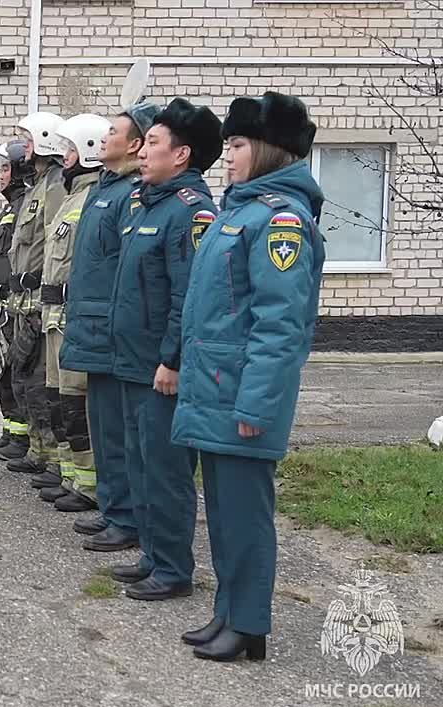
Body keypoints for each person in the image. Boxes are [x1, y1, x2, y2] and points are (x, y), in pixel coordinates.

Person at [172, 92, 324, 662]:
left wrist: (257, 407)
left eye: (236, 145)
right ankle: (228, 612)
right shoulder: (239, 212)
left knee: (245, 515)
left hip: (240, 397)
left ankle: (251, 622)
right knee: (224, 515)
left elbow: (281, 328)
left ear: (265, 150)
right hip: (214, 388)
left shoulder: (281, 222)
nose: (227, 156)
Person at [108, 98, 222, 602]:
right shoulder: (147, 206)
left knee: (167, 470)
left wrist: (171, 359)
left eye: (153, 143)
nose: (143, 150)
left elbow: (188, 295)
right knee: (141, 463)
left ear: (182, 155)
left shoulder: (190, 213)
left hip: (160, 368)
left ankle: (175, 568)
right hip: (132, 362)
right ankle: (153, 555)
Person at [60, 102, 160, 551]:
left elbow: (128, 267)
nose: (104, 138)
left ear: (135, 145)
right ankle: (114, 509)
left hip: (114, 330)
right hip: (92, 326)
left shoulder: (132, 194)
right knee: (103, 428)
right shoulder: (105, 188)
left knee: (122, 432)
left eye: (113, 132)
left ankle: (130, 519)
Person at [36, 113, 111, 513]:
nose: (63, 156)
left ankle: (90, 486)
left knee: (77, 401)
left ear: (88, 151)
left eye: (69, 149)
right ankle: (71, 475)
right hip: (54, 314)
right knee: (58, 399)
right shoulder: (71, 198)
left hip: (72, 314)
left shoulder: (94, 200)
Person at [5, 112, 67, 491]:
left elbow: (53, 247)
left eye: (28, 141)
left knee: (42, 382)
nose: (23, 148)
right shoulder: (39, 186)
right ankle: (39, 452)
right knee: (26, 378)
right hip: (23, 302)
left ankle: (55, 461)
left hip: (40, 302)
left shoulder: (55, 186)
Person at [0, 140, 34, 461]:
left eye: (5, 168)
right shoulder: (10, 206)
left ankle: (23, 438)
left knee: (16, 371)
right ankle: (11, 430)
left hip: (12, 306)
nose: (0, 175)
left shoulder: (26, 205)